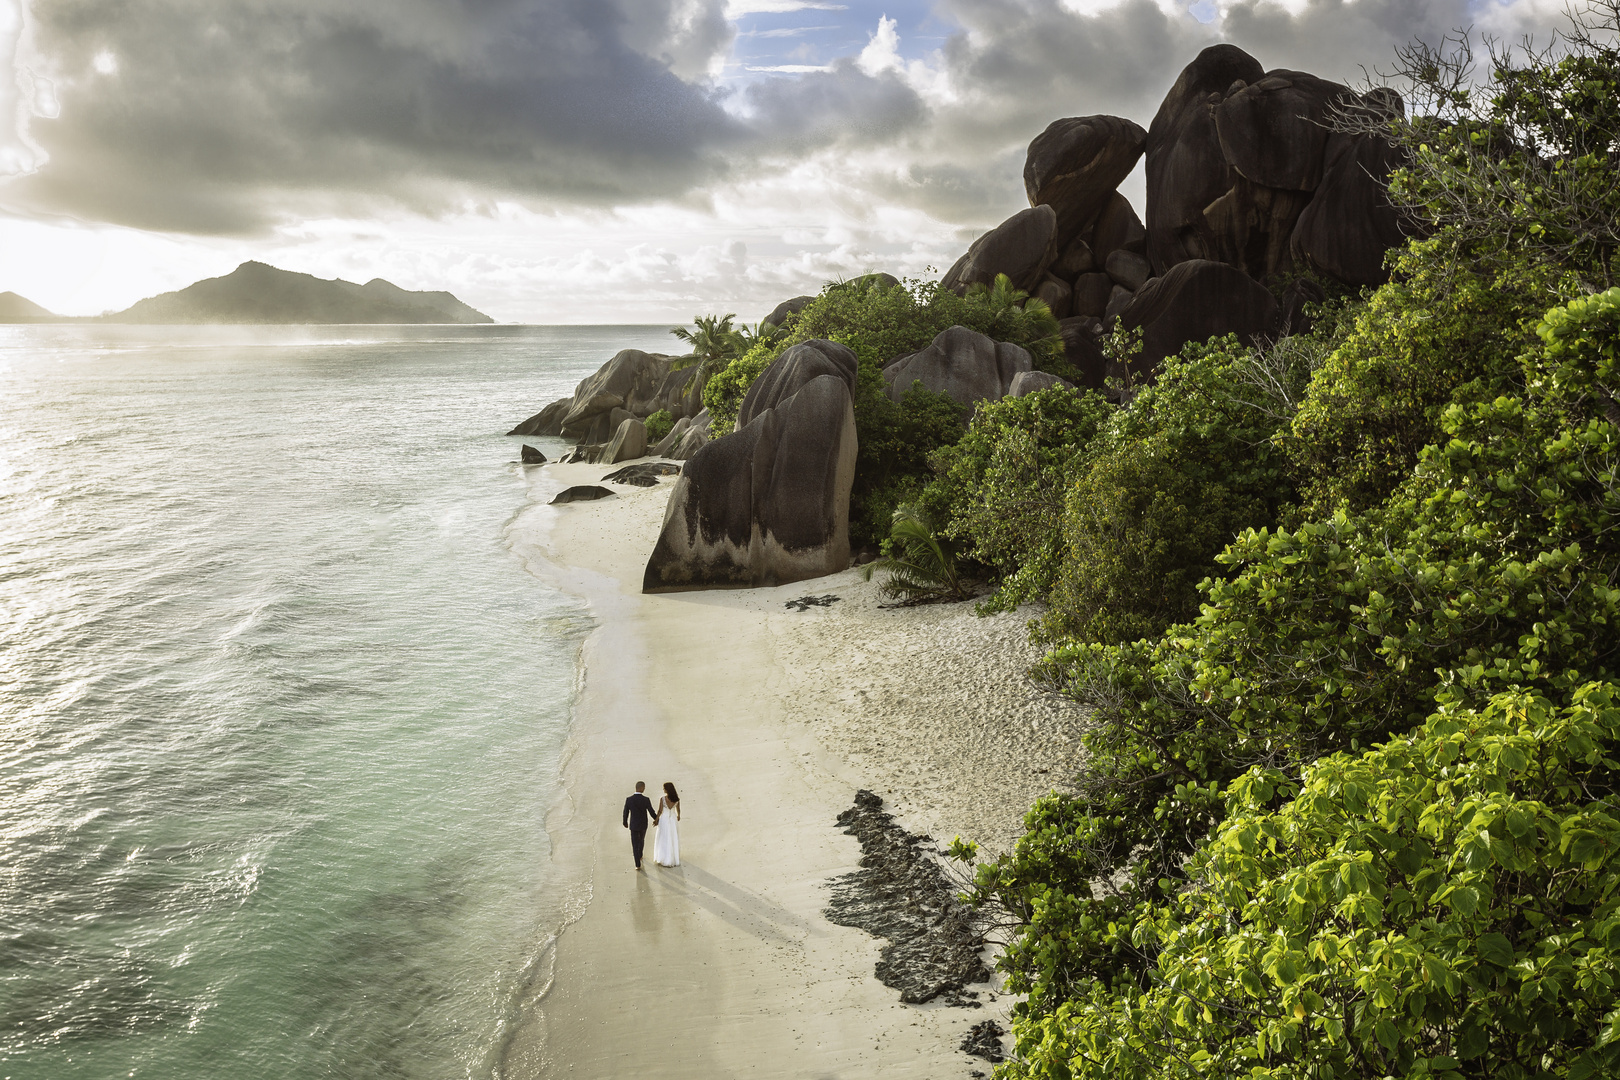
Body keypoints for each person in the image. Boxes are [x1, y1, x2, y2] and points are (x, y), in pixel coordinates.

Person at [622, 782, 658, 871]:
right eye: (644, 787)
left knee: (634, 844)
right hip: (643, 824)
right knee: (641, 840)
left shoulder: (629, 799)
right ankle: (640, 855)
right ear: (641, 788)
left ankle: (637, 864)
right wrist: (657, 820)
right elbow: (651, 811)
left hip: (633, 825)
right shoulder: (646, 799)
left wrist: (625, 822)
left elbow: (625, 812)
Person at [652, 782, 680, 867]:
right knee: (672, 837)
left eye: (664, 788)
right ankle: (672, 858)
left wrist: (656, 820)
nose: (663, 789)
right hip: (673, 819)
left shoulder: (663, 799)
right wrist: (679, 816)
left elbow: (660, 811)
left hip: (664, 820)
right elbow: (678, 810)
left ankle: (663, 857)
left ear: (667, 790)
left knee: (663, 837)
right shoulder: (677, 799)